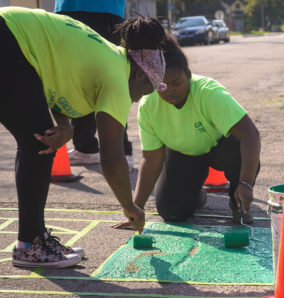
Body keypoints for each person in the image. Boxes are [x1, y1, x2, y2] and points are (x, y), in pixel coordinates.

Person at [0, 7, 165, 268]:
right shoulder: (118, 79)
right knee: (37, 143)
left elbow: (54, 77)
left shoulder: (110, 58)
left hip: (13, 37)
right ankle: (29, 246)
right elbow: (111, 157)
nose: (140, 98)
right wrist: (130, 207)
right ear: (141, 74)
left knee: (44, 138)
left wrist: (64, 126)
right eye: (147, 89)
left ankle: (37, 238)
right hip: (9, 38)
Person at [112, 34, 260, 229]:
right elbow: (151, 158)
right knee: (171, 212)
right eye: (162, 86)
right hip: (184, 155)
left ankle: (238, 197)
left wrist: (246, 182)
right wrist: (135, 208)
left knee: (238, 150)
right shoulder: (148, 106)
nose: (170, 91)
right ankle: (195, 192)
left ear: (188, 75)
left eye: (177, 82)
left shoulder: (209, 93)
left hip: (221, 150)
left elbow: (251, 135)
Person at [54, 0, 134, 171]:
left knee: (108, 75)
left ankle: (121, 151)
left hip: (101, 8)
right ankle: (85, 148)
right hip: (70, 8)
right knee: (76, 78)